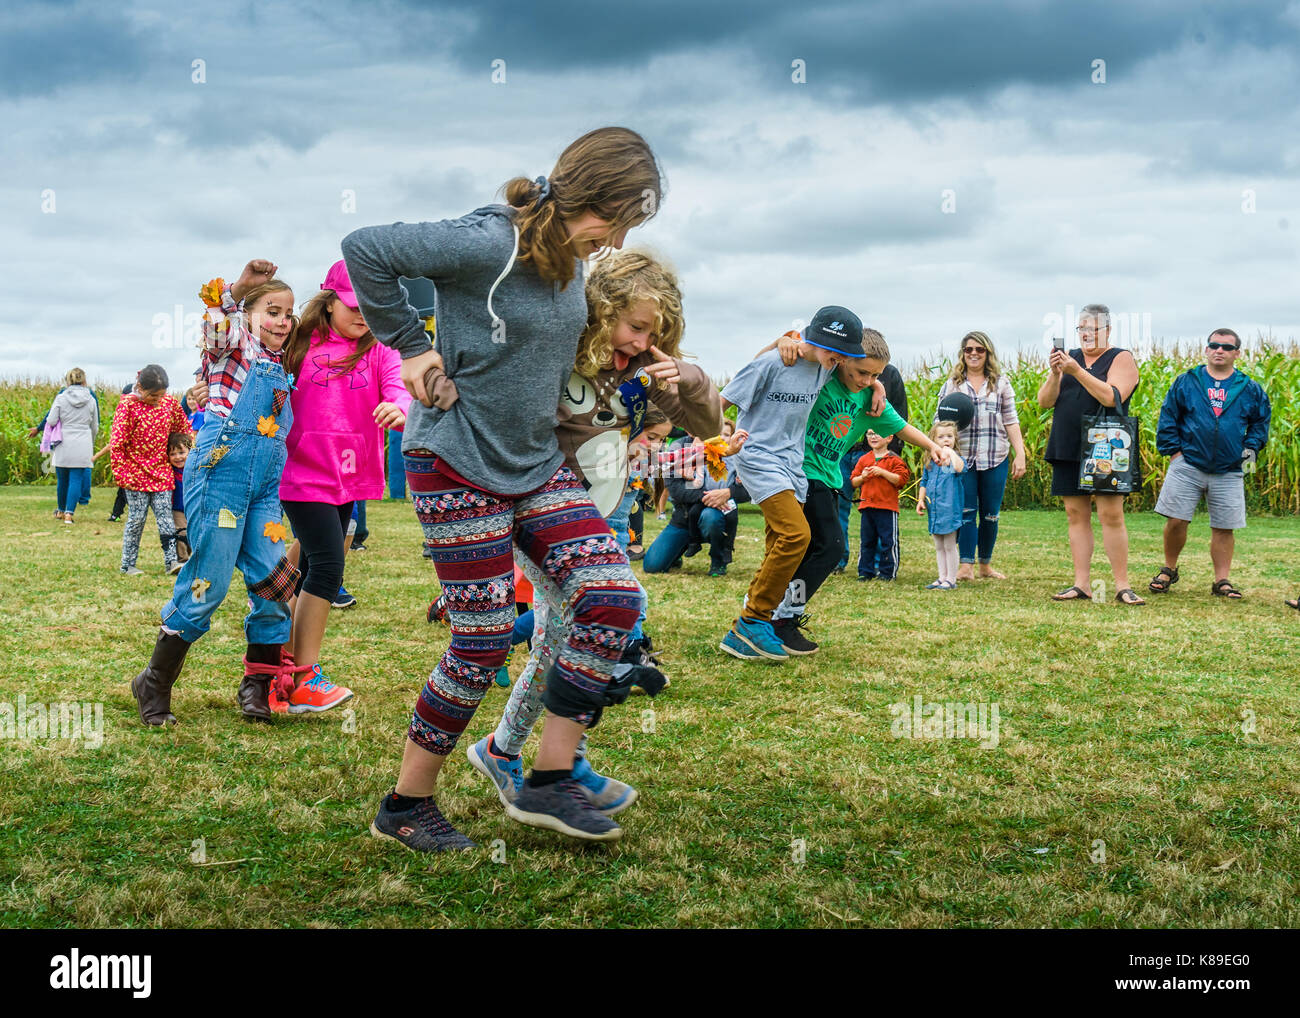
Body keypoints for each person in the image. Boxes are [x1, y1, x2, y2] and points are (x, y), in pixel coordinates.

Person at [343, 126, 664, 850]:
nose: (613, 241)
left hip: (533, 464)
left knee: (613, 597)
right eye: (614, 222)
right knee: (483, 640)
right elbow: (365, 247)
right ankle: (405, 804)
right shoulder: (489, 243)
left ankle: (551, 778)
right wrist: (415, 347)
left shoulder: (572, 264)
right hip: (456, 460)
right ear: (592, 198)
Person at [467, 248, 724, 817]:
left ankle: (510, 751)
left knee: (563, 635)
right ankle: (555, 761)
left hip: (600, 511)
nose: (637, 342)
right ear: (601, 308)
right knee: (604, 613)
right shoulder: (560, 351)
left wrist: (691, 377)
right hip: (540, 510)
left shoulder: (643, 373)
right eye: (632, 326)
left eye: (651, 333)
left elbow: (709, 427)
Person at [131, 262, 300, 725]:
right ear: (249, 316)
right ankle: (153, 682)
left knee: (274, 581)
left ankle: (257, 686)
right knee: (210, 581)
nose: (282, 320)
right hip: (219, 476)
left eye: (288, 313)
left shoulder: (284, 365)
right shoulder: (235, 348)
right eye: (272, 310)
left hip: (264, 489)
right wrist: (239, 290)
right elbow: (216, 329)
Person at [762, 327, 949, 654]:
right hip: (800, 471)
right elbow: (777, 360)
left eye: (875, 375)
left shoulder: (870, 400)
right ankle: (781, 616)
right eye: (862, 372)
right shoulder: (823, 376)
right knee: (830, 547)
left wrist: (933, 446)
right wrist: (782, 340)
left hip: (829, 478)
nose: (866, 380)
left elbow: (902, 428)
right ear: (842, 358)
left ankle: (775, 611)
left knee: (813, 548)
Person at [276, 259, 409, 709]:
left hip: (350, 475)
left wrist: (400, 406)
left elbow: (399, 386)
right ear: (329, 300)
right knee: (329, 566)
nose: (363, 315)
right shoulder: (297, 342)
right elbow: (239, 338)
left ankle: (274, 640)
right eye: (354, 305)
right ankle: (300, 679)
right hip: (300, 471)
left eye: (372, 307)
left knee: (308, 561)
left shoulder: (380, 348)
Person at [716, 307, 865, 662]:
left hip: (791, 464)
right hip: (758, 456)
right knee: (797, 535)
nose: (839, 358)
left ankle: (754, 625)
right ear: (813, 338)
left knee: (777, 544)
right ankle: (751, 621)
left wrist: (875, 387)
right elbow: (720, 401)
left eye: (844, 353)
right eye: (834, 349)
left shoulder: (825, 370)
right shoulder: (772, 363)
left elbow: (862, 375)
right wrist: (715, 444)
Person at [1148, 328, 1270, 600]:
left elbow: (1261, 421)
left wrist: (1250, 449)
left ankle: (1221, 581)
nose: (1219, 350)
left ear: (1237, 353)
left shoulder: (1249, 388)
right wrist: (1174, 453)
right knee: (1177, 520)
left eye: (1226, 347)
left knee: (1224, 527)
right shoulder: (1187, 382)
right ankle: (1168, 569)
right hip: (1188, 463)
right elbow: (1169, 416)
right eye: (1214, 345)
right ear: (1206, 349)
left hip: (1228, 468)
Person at [1037, 304, 1143, 604]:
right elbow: (1044, 402)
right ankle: (1081, 583)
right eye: (1080, 329)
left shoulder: (1120, 357)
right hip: (1067, 443)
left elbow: (1112, 397)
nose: (1085, 335)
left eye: (1091, 329)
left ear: (1107, 331)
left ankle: (1122, 585)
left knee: (1111, 514)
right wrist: (1057, 374)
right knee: (1075, 514)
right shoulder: (1069, 359)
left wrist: (1077, 371)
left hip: (1105, 445)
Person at [936, 331, 1026, 580]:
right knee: (965, 512)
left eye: (979, 349)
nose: (974, 353)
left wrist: (1021, 454)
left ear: (988, 353)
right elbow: (939, 421)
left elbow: (1011, 420)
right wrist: (941, 450)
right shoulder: (952, 385)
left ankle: (985, 564)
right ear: (963, 354)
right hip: (961, 459)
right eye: (969, 349)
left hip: (995, 456)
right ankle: (966, 566)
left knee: (990, 514)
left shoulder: (1001, 383)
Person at [110, 364, 191, 576]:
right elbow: (117, 443)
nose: (157, 400)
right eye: (153, 396)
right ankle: (128, 564)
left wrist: (184, 452)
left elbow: (183, 429)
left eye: (161, 395)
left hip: (162, 472)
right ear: (140, 387)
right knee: (137, 519)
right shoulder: (127, 406)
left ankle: (172, 562)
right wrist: (122, 474)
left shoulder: (170, 404)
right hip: (134, 474)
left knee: (166, 518)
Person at [644, 421, 746, 577]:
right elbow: (676, 490)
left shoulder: (736, 454)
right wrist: (710, 496)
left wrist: (728, 492)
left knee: (711, 517)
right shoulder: (680, 448)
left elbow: (749, 488)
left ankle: (719, 560)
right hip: (685, 517)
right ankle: (677, 551)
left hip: (716, 514)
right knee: (652, 565)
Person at [837, 357, 907, 572]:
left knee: (876, 509)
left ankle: (878, 563)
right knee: (838, 507)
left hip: (873, 454)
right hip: (842, 451)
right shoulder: (843, 369)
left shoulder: (891, 374)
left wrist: (891, 454)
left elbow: (899, 417)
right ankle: (837, 560)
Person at [851, 428, 910, 580]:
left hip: (887, 508)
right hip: (867, 507)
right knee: (867, 542)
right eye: (870, 434)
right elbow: (853, 481)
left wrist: (882, 472)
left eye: (878, 433)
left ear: (889, 438)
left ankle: (888, 573)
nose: (873, 436)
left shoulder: (894, 459)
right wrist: (863, 477)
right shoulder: (864, 459)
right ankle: (865, 572)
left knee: (888, 542)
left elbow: (901, 480)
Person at [45, 368, 99, 524]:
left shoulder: (61, 398)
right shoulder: (91, 400)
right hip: (83, 440)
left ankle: (61, 510)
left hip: (64, 440)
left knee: (62, 479)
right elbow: (94, 425)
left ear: (68, 380)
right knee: (76, 478)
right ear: (84, 380)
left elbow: (51, 420)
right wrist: (91, 442)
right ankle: (69, 513)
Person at [918, 420, 966, 589]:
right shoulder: (931, 462)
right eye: (941, 437)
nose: (946, 439)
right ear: (933, 440)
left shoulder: (955, 461)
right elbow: (924, 482)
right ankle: (942, 577)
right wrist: (920, 500)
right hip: (935, 510)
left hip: (950, 510)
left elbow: (961, 468)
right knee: (939, 545)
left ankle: (951, 579)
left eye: (949, 436)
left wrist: (950, 453)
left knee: (949, 545)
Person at [167, 432, 193, 561]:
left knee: (191, 535)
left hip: (192, 507)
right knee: (181, 532)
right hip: (177, 507)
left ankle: (188, 556)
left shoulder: (194, 470)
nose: (177, 457)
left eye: (181, 453)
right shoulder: (169, 471)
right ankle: (182, 559)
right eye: (172, 454)